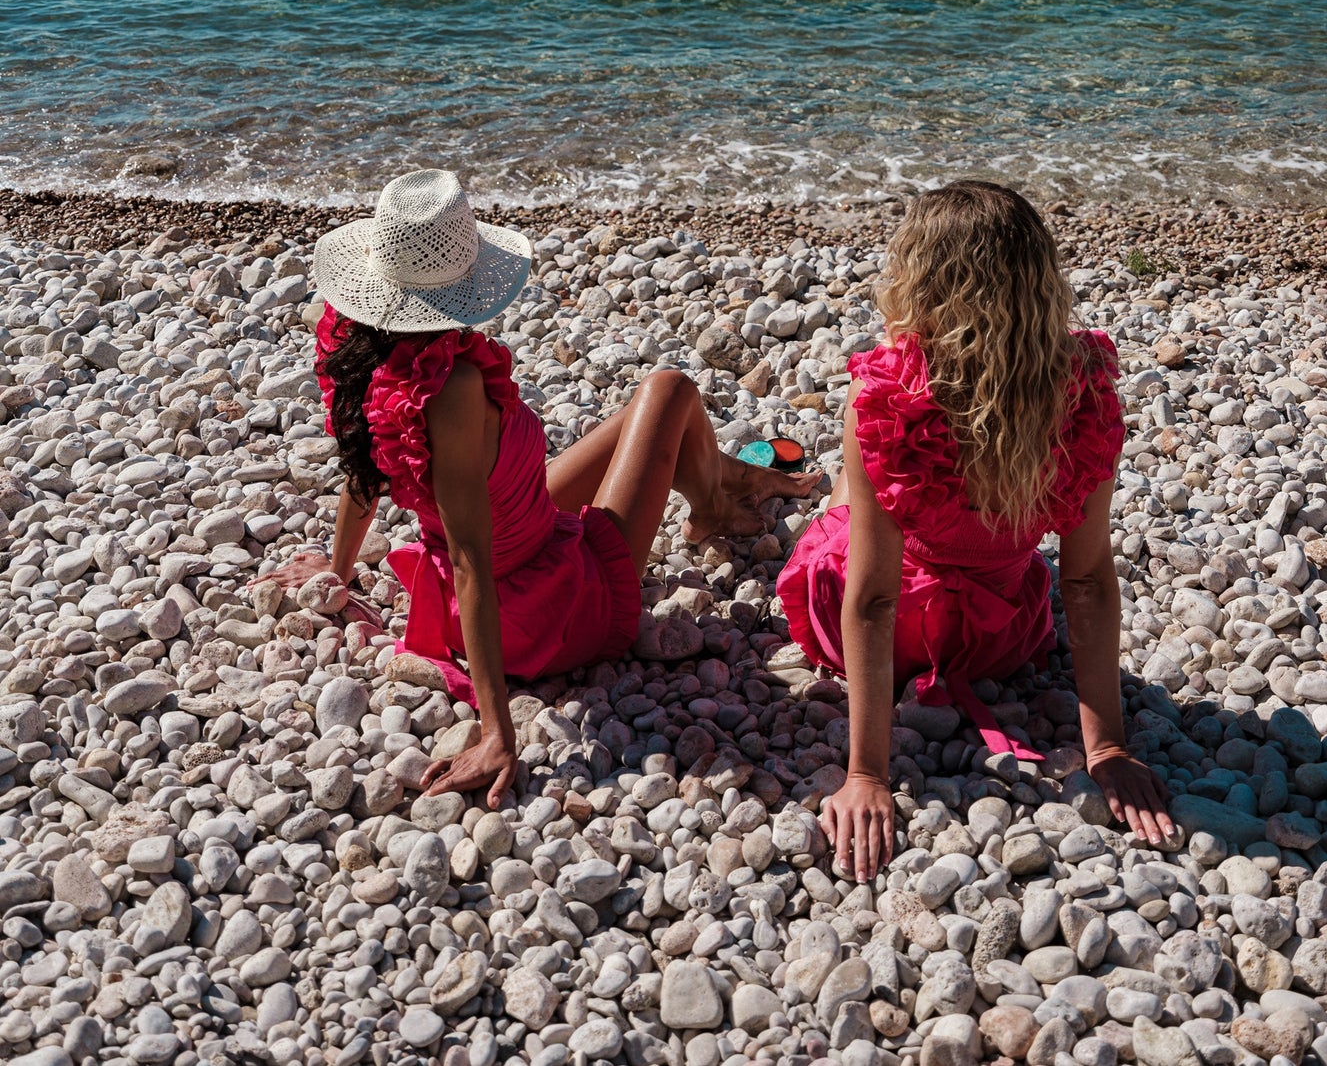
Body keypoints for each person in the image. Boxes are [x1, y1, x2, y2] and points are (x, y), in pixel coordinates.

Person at [269, 169, 815, 808]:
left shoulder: (361, 348)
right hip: (539, 607)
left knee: (643, 411)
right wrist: (499, 733)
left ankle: (728, 480)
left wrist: (337, 571)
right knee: (667, 390)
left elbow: (362, 469)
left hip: (497, 544)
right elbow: (474, 562)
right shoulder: (454, 389)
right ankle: (715, 502)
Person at [777, 180, 1173, 882]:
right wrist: (1105, 746)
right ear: (1041, 282)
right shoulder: (1085, 385)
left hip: (894, 634)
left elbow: (868, 601)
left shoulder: (889, 391)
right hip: (1003, 633)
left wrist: (866, 771)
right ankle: (805, 481)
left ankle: (777, 480)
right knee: (872, 493)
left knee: (842, 508)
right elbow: (1082, 580)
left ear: (921, 281)